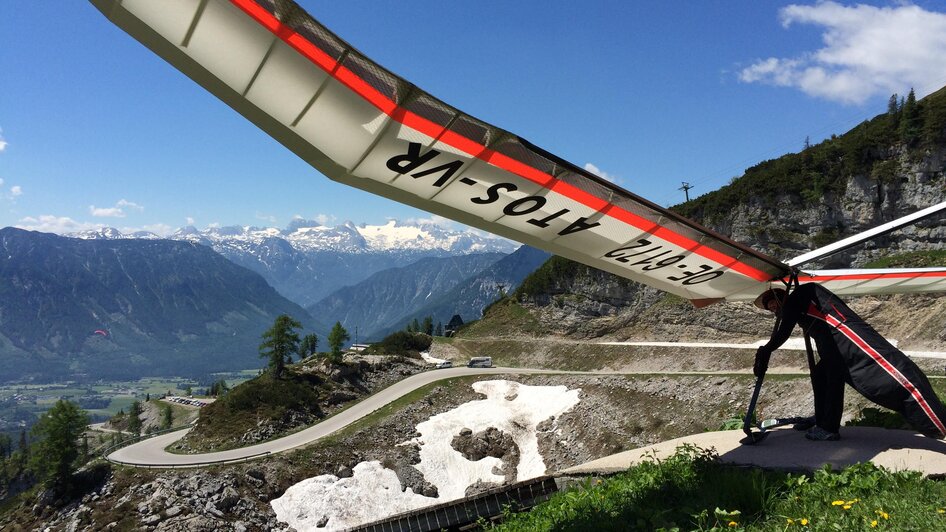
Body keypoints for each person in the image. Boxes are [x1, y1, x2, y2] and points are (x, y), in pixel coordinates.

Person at [753, 283, 946, 441]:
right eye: (771, 309)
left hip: (846, 340)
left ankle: (938, 426)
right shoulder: (798, 309)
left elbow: (784, 331)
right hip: (833, 349)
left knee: (893, 379)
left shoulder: (800, 296)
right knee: (822, 376)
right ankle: (824, 422)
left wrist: (766, 349)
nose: (774, 309)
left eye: (774, 304)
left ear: (782, 297)